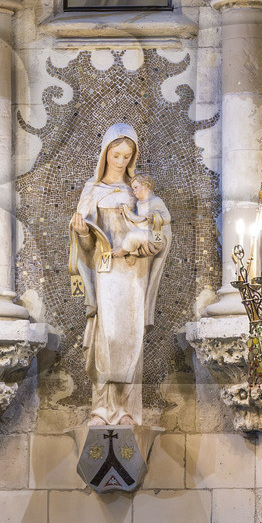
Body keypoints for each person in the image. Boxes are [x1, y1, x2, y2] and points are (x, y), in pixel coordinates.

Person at [68, 121, 171, 426]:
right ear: (105, 154)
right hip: (106, 269)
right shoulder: (93, 190)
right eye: (116, 155)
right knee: (109, 335)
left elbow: (160, 234)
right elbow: (85, 246)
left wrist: (141, 245)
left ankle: (126, 410)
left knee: (130, 337)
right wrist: (83, 232)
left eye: (127, 156)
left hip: (134, 273)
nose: (121, 161)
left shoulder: (140, 192)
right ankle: (101, 408)